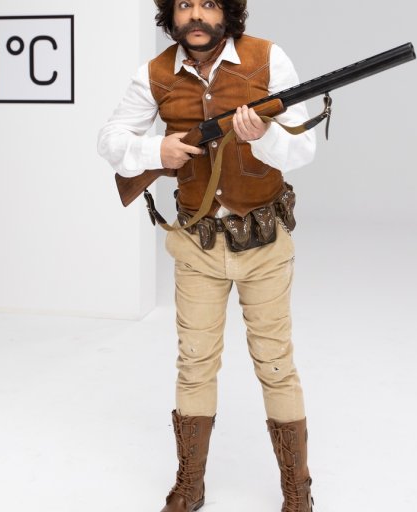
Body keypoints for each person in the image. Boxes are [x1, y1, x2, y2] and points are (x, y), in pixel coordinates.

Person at [98, 1, 316, 511]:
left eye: (209, 4)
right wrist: (157, 153)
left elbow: (302, 151)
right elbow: (110, 140)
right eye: (186, 4)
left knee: (277, 365)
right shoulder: (153, 73)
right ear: (171, 14)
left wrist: (264, 138)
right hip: (197, 245)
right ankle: (190, 484)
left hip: (264, 242)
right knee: (194, 363)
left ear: (229, 11)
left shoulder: (267, 58)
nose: (197, 15)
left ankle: (296, 489)